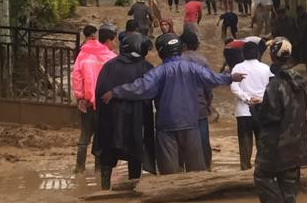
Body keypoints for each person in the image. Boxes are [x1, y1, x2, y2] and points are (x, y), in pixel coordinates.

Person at [102, 32, 231, 174]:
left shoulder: (159, 72)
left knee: (169, 173)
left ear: (161, 51)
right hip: (190, 124)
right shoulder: (192, 68)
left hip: (166, 126)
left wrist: (116, 92)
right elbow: (214, 78)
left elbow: (140, 87)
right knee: (197, 170)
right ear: (180, 48)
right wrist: (231, 78)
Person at [251, 37, 307, 203]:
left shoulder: (275, 85)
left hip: (276, 143)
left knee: (262, 176)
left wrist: (256, 109)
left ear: (273, 56)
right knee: (289, 180)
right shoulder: (300, 83)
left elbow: (270, 116)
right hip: (297, 142)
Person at [93, 31, 156, 188]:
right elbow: (151, 94)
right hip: (136, 121)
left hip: (109, 120)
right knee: (135, 155)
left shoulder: (109, 66)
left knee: (107, 155)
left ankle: (104, 189)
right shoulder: (146, 67)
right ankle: (132, 189)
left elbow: (99, 92)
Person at [71, 24, 117, 172]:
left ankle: (79, 168)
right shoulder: (109, 55)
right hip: (104, 102)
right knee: (101, 136)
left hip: (87, 102)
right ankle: (99, 169)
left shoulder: (82, 55)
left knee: (84, 137)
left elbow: (76, 77)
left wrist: (80, 97)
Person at [230, 39, 273, 169]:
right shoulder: (266, 68)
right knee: (262, 142)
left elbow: (233, 87)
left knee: (244, 143)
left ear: (243, 54)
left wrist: (247, 98)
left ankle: (244, 169)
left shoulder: (238, 68)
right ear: (258, 54)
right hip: (262, 110)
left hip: (243, 111)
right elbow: (271, 88)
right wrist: (260, 99)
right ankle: (261, 169)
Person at [180, 29, 215, 169]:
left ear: (183, 45)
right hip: (200, 106)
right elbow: (209, 85)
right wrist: (208, 103)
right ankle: (207, 168)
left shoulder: (177, 60)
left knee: (183, 141)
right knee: (203, 141)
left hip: (181, 109)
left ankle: (184, 169)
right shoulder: (203, 60)